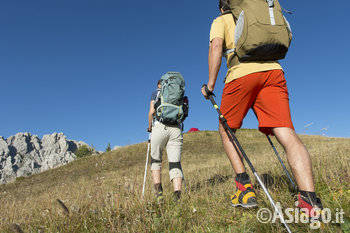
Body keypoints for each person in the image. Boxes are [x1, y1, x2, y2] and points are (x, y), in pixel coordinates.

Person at [201, 0, 322, 215]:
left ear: (222, 6)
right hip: (274, 71)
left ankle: (244, 189)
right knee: (285, 130)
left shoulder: (221, 19)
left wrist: (210, 85)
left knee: (227, 129)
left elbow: (216, 46)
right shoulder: (260, 12)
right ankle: (309, 200)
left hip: (240, 74)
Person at [148, 78, 184, 203]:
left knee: (156, 160)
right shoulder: (179, 92)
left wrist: (149, 127)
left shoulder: (157, 92)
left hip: (160, 126)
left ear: (160, 84)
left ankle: (159, 194)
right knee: (175, 163)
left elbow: (152, 112)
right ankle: (177, 196)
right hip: (176, 129)